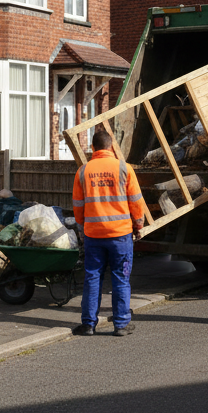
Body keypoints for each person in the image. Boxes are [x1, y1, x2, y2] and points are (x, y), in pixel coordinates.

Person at [72, 130, 145, 337]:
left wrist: (81, 230)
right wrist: (138, 226)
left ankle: (88, 324)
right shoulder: (124, 168)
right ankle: (121, 324)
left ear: (93, 148)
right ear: (111, 146)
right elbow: (136, 201)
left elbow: (78, 206)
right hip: (120, 235)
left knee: (92, 278)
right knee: (120, 279)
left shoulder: (83, 171)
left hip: (93, 235)